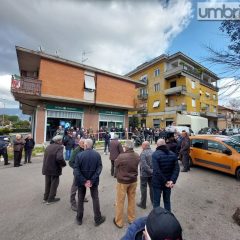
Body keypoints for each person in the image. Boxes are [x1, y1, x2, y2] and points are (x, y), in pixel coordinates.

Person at [74, 139, 105, 226]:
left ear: (87, 145)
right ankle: (98, 218)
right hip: (92, 181)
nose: (83, 145)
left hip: (83, 181)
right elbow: (99, 168)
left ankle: (79, 218)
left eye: (84, 144)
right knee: (95, 198)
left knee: (80, 199)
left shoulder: (79, 155)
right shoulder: (97, 155)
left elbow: (76, 170)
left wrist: (85, 181)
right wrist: (90, 180)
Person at [113, 140, 140, 228]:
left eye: (124, 146)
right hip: (133, 180)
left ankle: (119, 221)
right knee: (132, 199)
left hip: (122, 182)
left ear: (127, 147)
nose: (124, 147)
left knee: (120, 201)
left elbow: (116, 165)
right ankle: (131, 219)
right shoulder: (136, 155)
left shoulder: (121, 156)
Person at [152, 139, 180, 212]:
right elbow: (176, 169)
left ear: (157, 145)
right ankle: (169, 218)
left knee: (156, 203)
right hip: (168, 182)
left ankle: (156, 219)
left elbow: (156, 171)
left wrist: (166, 182)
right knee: (167, 201)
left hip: (158, 183)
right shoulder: (173, 154)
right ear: (165, 144)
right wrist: (171, 181)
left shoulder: (155, 155)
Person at [42, 135, 66, 204]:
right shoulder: (59, 147)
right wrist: (63, 164)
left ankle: (45, 198)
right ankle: (51, 199)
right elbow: (59, 158)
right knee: (54, 184)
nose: (61, 141)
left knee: (48, 183)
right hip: (54, 168)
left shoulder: (48, 146)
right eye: (61, 140)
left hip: (46, 168)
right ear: (58, 141)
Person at [69, 138, 88, 211]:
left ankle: (82, 198)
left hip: (84, 173)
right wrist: (77, 169)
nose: (85, 144)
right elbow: (70, 162)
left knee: (83, 186)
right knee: (75, 187)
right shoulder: (76, 151)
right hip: (77, 173)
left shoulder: (85, 149)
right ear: (80, 143)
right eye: (83, 143)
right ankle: (73, 203)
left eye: (85, 143)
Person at [137, 141, 153, 209]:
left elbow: (144, 165)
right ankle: (154, 202)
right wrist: (152, 171)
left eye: (142, 145)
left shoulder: (143, 153)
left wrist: (150, 171)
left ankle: (143, 204)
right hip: (152, 173)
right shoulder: (153, 152)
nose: (141, 146)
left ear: (145, 146)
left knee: (143, 189)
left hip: (144, 174)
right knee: (152, 188)